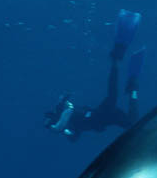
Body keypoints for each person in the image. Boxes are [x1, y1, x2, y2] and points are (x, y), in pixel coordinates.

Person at [45, 9, 146, 141]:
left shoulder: (63, 111)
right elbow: (73, 136)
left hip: (101, 114)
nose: (51, 124)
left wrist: (58, 123)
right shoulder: (69, 126)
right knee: (133, 125)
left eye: (50, 121)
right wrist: (65, 131)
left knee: (113, 95)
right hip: (104, 119)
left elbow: (66, 112)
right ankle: (133, 87)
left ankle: (116, 58)